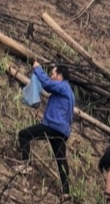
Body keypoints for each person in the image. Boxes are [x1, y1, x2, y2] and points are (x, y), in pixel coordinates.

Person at [18, 62, 74, 195]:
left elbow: (48, 84)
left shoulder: (63, 86)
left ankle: (26, 165)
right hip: (62, 130)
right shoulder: (70, 93)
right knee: (61, 158)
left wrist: (37, 68)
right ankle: (66, 191)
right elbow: (49, 89)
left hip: (53, 125)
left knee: (24, 135)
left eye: (53, 73)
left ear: (60, 76)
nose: (51, 76)